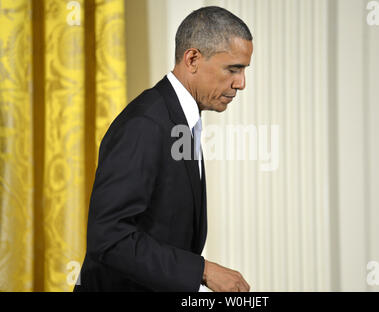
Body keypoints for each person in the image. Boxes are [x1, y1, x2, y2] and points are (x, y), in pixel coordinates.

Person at [74, 6, 253, 292]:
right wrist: (203, 271)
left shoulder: (179, 118)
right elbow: (108, 236)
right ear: (192, 58)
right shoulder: (144, 123)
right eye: (233, 69)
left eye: (244, 70)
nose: (241, 83)